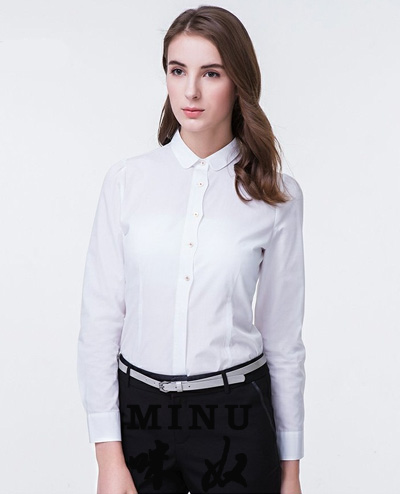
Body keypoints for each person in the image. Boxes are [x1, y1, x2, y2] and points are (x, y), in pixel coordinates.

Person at [77, 5, 305, 494]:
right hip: (140, 415)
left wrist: (291, 472)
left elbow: (283, 340)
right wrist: (107, 457)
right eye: (178, 71)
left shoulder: (276, 196)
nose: (191, 91)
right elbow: (100, 322)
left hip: (235, 415)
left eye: (211, 73)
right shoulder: (126, 182)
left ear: (239, 81)